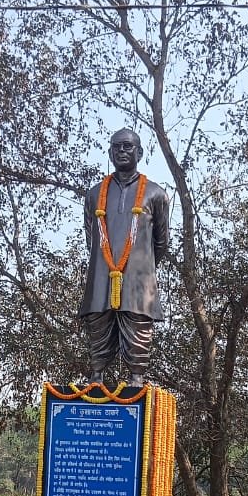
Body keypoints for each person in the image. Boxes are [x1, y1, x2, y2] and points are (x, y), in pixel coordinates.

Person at [81, 128, 171, 388]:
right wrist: (106, 264)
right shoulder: (94, 194)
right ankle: (96, 376)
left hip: (138, 279)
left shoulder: (155, 193)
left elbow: (161, 242)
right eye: (117, 147)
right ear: (110, 153)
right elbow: (92, 240)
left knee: (138, 327)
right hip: (102, 276)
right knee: (98, 324)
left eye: (127, 147)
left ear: (139, 152)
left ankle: (137, 378)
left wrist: (140, 268)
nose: (122, 151)